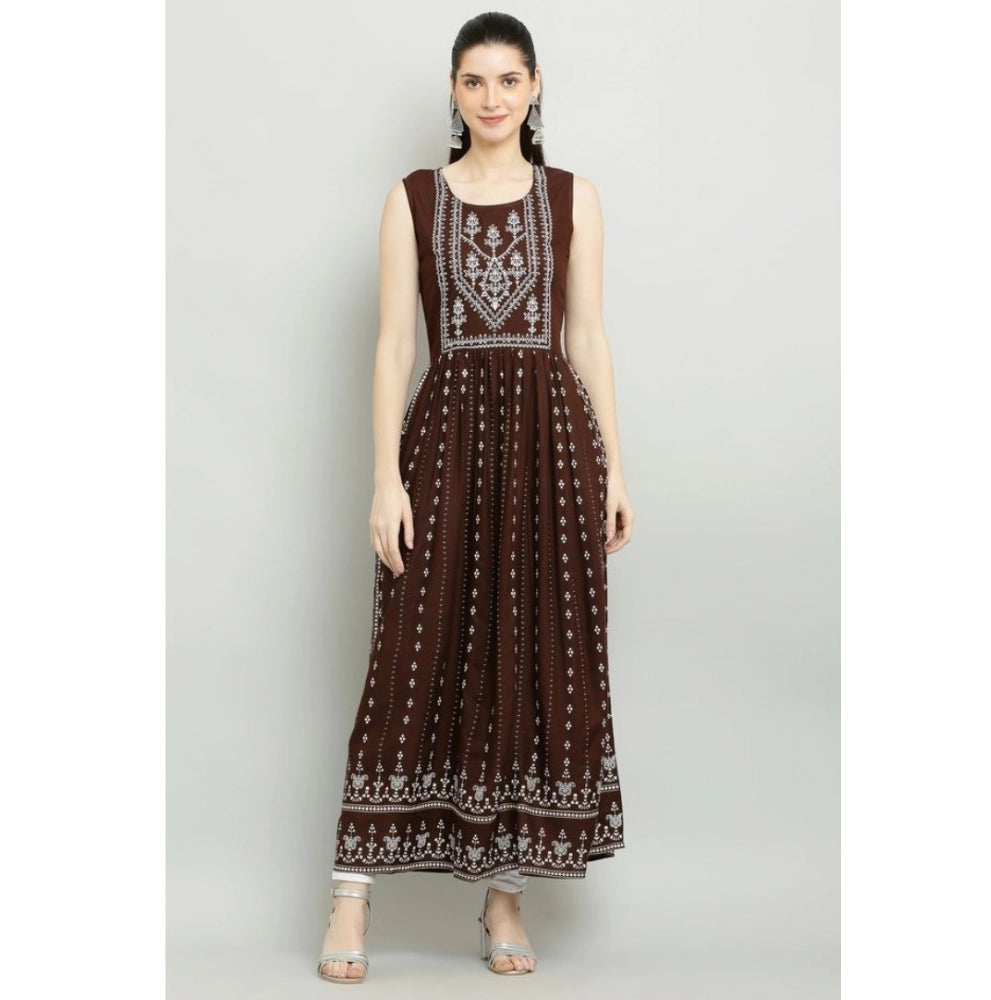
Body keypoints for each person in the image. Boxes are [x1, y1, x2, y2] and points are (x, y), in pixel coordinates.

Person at [317, 11, 634, 983]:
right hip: (445, 443)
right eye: (473, 81)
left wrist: (616, 469)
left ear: (535, 88)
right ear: (452, 92)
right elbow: (393, 347)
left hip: (551, 449)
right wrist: (384, 478)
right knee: (409, 655)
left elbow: (586, 338)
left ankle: (504, 898)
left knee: (527, 661)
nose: (491, 98)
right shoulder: (412, 198)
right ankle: (350, 897)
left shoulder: (573, 197)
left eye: (508, 80)